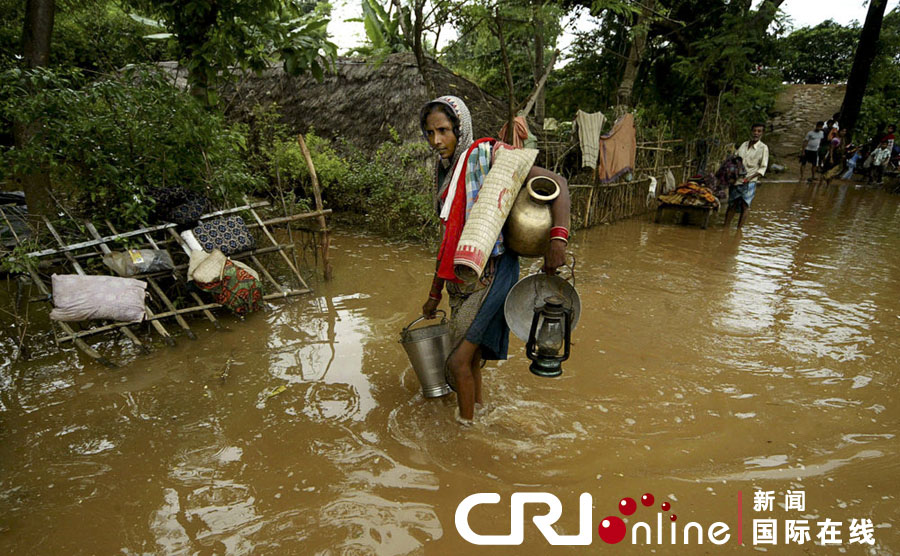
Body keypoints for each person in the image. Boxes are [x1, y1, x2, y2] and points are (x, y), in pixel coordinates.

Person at [419, 95, 570, 422]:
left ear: (461, 128)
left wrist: (558, 239)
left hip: (493, 275)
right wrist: (434, 295)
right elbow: (448, 240)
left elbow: (558, 183)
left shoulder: (489, 155)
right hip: (461, 282)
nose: (436, 140)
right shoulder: (445, 172)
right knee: (470, 361)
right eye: (430, 133)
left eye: (444, 131)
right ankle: (480, 411)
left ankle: (466, 432)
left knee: (458, 361)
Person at [724, 123, 768, 230]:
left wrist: (750, 178)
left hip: (750, 181)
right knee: (732, 204)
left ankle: (739, 230)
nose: (756, 133)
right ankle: (725, 228)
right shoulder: (744, 144)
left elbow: (762, 168)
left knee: (745, 205)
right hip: (737, 180)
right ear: (751, 131)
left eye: (759, 131)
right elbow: (736, 160)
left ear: (762, 133)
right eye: (754, 131)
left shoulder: (763, 148)